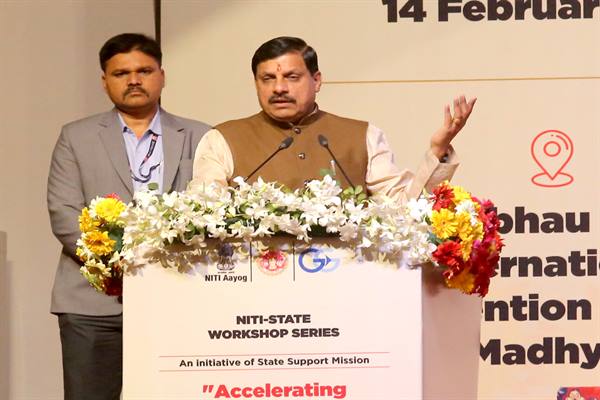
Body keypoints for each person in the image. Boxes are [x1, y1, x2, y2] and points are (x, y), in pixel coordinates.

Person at [47, 33, 210, 400]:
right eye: (121, 73)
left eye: (144, 71)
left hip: (176, 296)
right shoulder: (75, 136)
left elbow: (211, 210)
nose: (134, 80)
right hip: (93, 302)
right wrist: (119, 263)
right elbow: (63, 213)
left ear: (162, 76)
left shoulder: (200, 135)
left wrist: (159, 264)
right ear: (105, 81)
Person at [190, 36, 475, 202]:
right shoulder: (222, 139)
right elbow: (202, 212)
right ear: (256, 84)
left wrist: (437, 151)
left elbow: (404, 208)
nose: (279, 88)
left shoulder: (362, 135)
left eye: (291, 77)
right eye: (267, 79)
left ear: (316, 81)